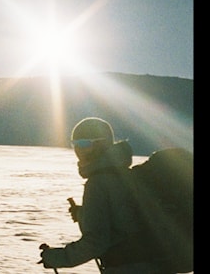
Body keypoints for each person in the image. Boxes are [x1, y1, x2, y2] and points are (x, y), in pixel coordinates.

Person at [38, 117, 170, 273]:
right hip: (153, 265)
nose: (78, 150)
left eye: (85, 143)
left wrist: (55, 257)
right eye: (75, 144)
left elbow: (96, 242)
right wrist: (83, 214)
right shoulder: (126, 175)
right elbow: (124, 218)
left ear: (101, 144)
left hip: (127, 267)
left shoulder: (98, 183)